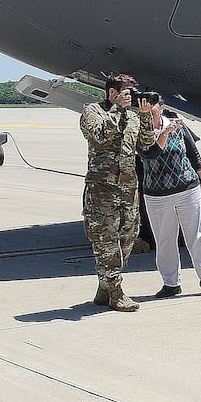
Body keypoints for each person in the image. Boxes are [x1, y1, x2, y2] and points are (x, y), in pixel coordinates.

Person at [80, 74, 157, 311]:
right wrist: (117, 109)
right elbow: (101, 135)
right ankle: (116, 292)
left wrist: (144, 115)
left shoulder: (133, 116)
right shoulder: (93, 112)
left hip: (128, 189)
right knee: (106, 242)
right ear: (113, 93)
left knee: (127, 239)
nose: (131, 96)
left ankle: (105, 287)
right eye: (127, 92)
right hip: (102, 190)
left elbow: (146, 143)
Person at [139, 97, 201, 298]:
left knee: (197, 235)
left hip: (187, 189)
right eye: (145, 104)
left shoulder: (179, 126)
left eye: (153, 104)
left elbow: (194, 154)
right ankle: (171, 283)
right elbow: (150, 155)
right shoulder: (141, 132)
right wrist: (164, 133)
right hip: (157, 195)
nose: (149, 108)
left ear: (161, 107)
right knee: (165, 240)